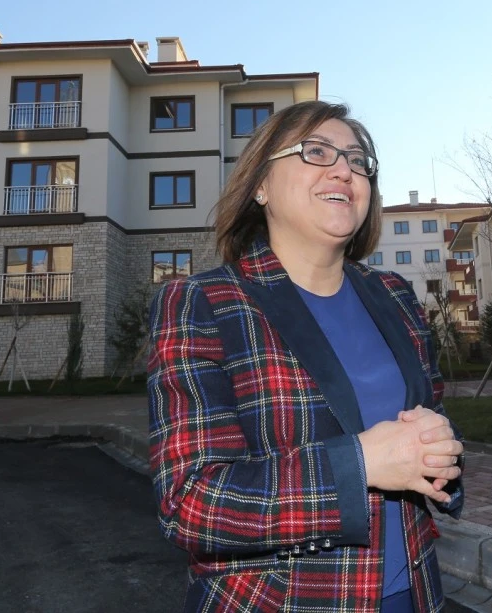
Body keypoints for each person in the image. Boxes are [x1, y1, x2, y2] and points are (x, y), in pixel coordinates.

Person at [147, 100, 465, 613]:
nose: (344, 169)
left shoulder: (395, 296)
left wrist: (441, 451)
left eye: (357, 160)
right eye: (316, 151)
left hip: (412, 593)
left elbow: (431, 420)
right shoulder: (203, 302)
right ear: (261, 185)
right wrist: (359, 464)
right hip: (280, 600)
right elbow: (190, 502)